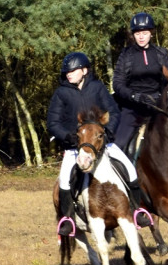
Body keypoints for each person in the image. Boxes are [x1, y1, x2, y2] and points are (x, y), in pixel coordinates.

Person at [48, 52, 153, 238]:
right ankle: (68, 221)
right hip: (74, 147)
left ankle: (137, 212)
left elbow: (113, 111)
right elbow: (53, 123)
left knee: (130, 169)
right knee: (64, 179)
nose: (68, 74)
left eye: (72, 70)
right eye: (66, 71)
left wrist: (109, 131)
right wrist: (68, 136)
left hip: (102, 144)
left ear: (84, 70)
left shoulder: (97, 88)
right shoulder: (61, 93)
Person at [111, 12, 168, 156]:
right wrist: (133, 96)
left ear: (151, 33)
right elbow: (117, 83)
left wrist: (161, 96)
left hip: (158, 105)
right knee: (118, 144)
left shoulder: (161, 53)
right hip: (133, 107)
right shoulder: (126, 55)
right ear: (133, 35)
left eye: (145, 33)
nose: (141, 36)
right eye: (138, 33)